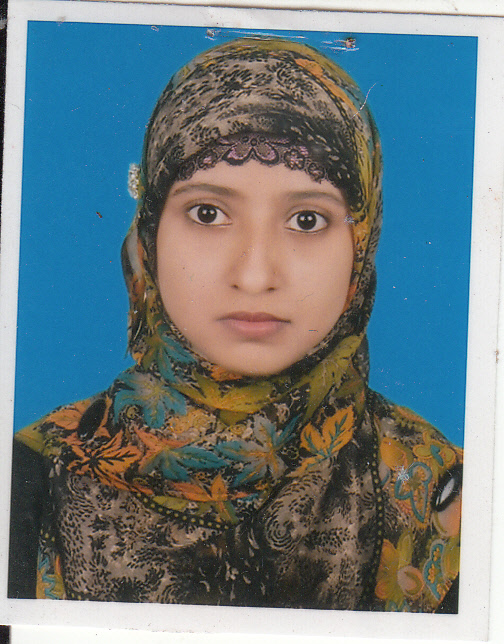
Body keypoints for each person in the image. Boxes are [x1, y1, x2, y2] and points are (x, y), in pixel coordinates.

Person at [8, 37, 462, 611]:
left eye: (306, 219)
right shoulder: (28, 477)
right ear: (150, 235)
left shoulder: (440, 493)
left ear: (361, 244)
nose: (254, 276)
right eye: (208, 213)